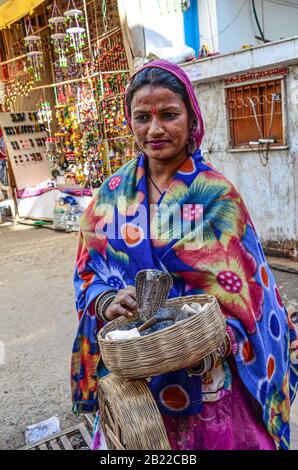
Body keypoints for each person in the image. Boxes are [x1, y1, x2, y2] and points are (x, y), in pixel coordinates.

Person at [71, 60, 298, 450]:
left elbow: (249, 292)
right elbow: (89, 274)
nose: (154, 129)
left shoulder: (215, 195)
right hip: (137, 383)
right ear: (130, 122)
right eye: (142, 117)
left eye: (169, 115)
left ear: (191, 119)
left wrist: (209, 341)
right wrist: (109, 303)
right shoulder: (110, 196)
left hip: (207, 376)